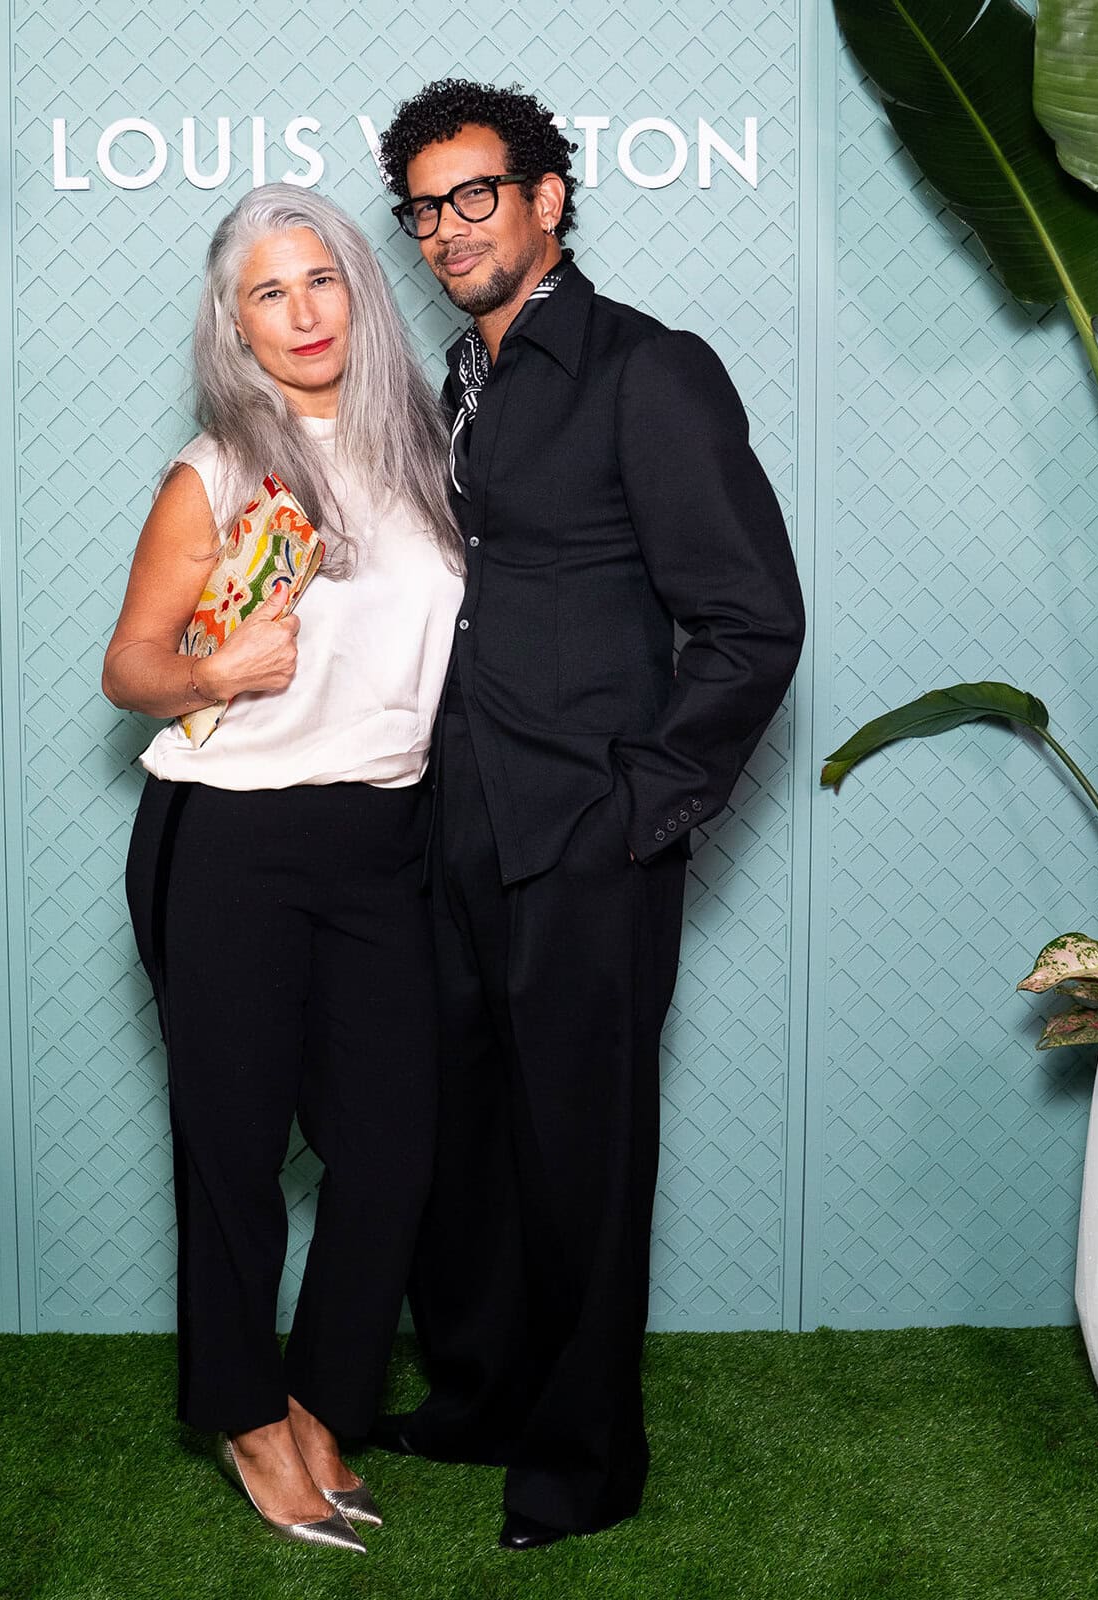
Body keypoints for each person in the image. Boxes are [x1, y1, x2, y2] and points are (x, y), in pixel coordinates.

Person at [367, 80, 807, 1549]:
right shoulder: (451, 386)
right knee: (462, 1136)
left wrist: (642, 811)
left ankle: (584, 1458)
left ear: (548, 197)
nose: (447, 230)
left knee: (580, 1154)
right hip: (447, 824)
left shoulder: (648, 371)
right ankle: (482, 1394)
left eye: (474, 196)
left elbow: (751, 619)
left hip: (585, 837)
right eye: (424, 210)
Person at [102, 182, 464, 1553]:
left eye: (323, 281)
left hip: (383, 835)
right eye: (270, 291)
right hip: (230, 839)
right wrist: (214, 670)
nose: (303, 313)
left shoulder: (426, 452)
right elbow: (129, 667)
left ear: (360, 294)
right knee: (235, 1154)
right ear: (234, 323)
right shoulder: (215, 472)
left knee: (391, 1152)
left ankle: (323, 1396)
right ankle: (247, 1415)